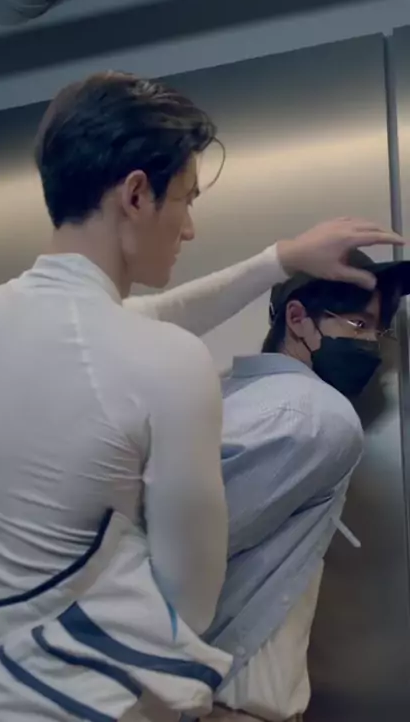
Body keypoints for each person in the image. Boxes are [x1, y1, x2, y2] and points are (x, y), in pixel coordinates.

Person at [0, 70, 403, 722]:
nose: (189, 229)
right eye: (186, 199)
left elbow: (126, 325)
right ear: (135, 195)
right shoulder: (169, 364)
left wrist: (280, 258)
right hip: (95, 705)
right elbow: (188, 606)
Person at [205, 249, 410, 722]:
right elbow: (191, 555)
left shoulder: (224, 395)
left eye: (379, 331)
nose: (372, 346)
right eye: (358, 326)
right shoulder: (318, 413)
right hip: (233, 705)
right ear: (297, 319)